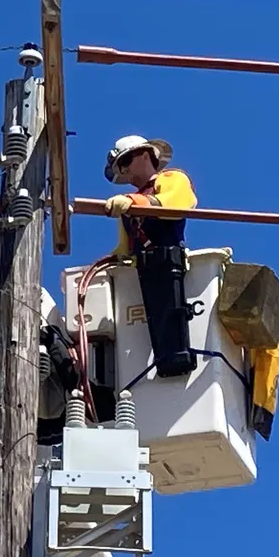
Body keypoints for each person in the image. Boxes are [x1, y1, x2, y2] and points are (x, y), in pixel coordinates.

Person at [101, 135, 199, 378]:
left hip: (169, 265)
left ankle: (175, 360)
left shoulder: (172, 179)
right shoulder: (128, 206)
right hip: (146, 272)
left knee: (171, 332)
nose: (124, 171)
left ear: (145, 155)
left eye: (125, 162)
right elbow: (125, 250)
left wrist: (133, 201)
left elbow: (175, 205)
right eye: (121, 167)